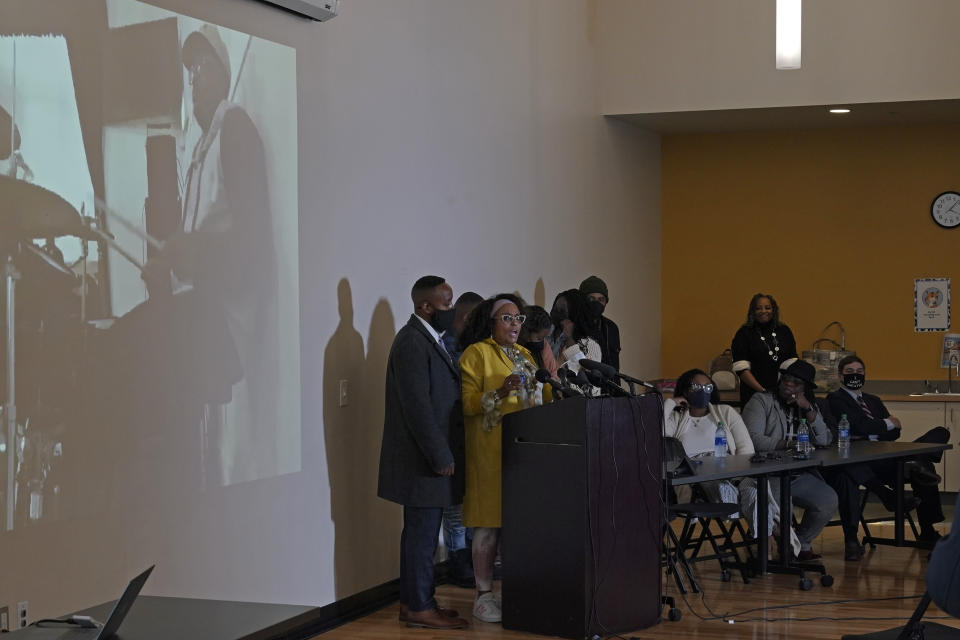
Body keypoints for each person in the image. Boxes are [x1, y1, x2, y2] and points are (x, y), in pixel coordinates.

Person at [376, 276, 468, 630]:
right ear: (424, 306)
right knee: (421, 535)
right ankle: (418, 606)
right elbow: (418, 409)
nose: (452, 310)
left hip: (428, 460)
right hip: (422, 462)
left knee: (426, 535)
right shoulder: (412, 343)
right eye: (446, 305)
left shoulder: (431, 340)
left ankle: (420, 601)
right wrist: (440, 456)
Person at [459, 294, 550, 623]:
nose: (515, 325)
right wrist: (499, 391)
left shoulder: (526, 355)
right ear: (491, 322)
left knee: (518, 526)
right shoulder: (477, 354)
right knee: (489, 526)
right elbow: (467, 404)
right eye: (507, 318)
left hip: (524, 453)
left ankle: (517, 589)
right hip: (489, 452)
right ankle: (483, 595)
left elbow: (545, 396)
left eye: (518, 319)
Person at [664, 369, 793, 547]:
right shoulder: (676, 417)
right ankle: (769, 530)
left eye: (708, 387)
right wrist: (671, 402)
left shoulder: (725, 412)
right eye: (697, 387)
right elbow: (659, 435)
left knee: (755, 489)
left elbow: (745, 448)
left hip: (731, 468)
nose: (703, 390)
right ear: (685, 391)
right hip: (697, 474)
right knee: (721, 486)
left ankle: (765, 549)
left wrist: (737, 470)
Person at [827, 354, 949, 543]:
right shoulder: (836, 399)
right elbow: (859, 426)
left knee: (940, 432)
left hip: (888, 452)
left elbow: (894, 434)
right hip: (865, 459)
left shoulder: (873, 400)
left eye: (859, 372)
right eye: (850, 372)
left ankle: (917, 463)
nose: (855, 375)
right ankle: (916, 464)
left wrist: (883, 426)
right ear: (841, 376)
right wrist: (887, 423)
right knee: (924, 469)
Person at [741, 360, 838, 560]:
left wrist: (810, 411)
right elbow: (752, 438)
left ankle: (799, 544)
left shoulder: (808, 406)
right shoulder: (761, 400)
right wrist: (787, 444)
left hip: (797, 473)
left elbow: (825, 439)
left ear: (805, 389)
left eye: (796, 383)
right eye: (786, 379)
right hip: (767, 474)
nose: (788, 385)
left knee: (827, 500)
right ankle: (775, 549)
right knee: (781, 510)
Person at [438, 290, 482, 588]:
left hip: (469, 434)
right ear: (466, 318)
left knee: (468, 502)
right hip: (450, 434)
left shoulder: (470, 346)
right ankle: (458, 560)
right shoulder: (447, 346)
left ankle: (468, 559)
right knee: (454, 506)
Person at [731, 293, 799, 406]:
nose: (763, 311)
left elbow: (793, 363)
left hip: (783, 394)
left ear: (774, 310)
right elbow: (741, 370)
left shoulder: (784, 331)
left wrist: (786, 389)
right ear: (752, 311)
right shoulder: (744, 333)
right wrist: (763, 391)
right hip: (754, 394)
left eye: (767, 308)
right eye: (758, 308)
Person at [547, 289, 602, 374]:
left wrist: (570, 340)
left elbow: (587, 381)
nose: (555, 313)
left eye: (561, 310)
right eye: (555, 308)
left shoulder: (590, 345)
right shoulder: (546, 334)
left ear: (574, 314)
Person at [579, 275, 621, 370]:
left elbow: (615, 367)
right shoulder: (573, 327)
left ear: (606, 302)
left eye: (601, 299)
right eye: (591, 299)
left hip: (608, 384)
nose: (596, 303)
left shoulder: (611, 328)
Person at [518, 305, 558, 379]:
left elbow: (554, 374)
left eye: (544, 338)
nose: (542, 342)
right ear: (525, 331)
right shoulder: (512, 347)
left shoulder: (544, 345)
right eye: (539, 338)